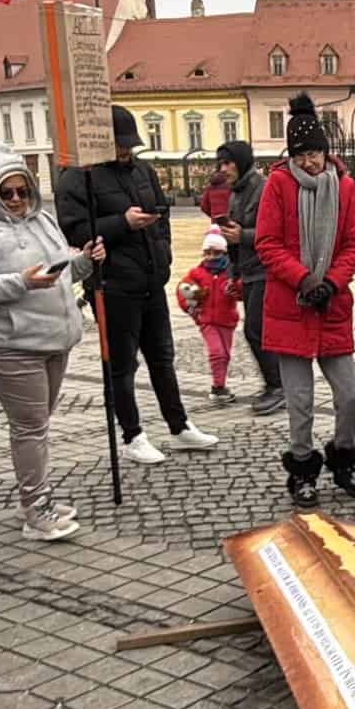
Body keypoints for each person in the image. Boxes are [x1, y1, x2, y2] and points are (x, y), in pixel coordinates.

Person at [0, 139, 91, 543]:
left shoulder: (42, 221)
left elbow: (60, 275)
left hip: (52, 337)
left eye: (21, 190)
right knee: (29, 426)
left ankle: (37, 496)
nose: (15, 198)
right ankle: (35, 508)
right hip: (7, 342)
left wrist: (83, 262)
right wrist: (20, 282)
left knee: (37, 425)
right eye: (5, 192)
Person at [57, 106, 218, 465]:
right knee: (121, 367)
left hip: (150, 280)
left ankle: (179, 426)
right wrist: (121, 224)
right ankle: (132, 435)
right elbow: (74, 230)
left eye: (129, 145)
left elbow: (162, 215)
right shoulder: (77, 177)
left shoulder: (143, 171)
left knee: (163, 358)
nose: (126, 151)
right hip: (111, 286)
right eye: (119, 145)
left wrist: (164, 254)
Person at [256, 93, 355, 508]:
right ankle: (303, 470)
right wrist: (305, 280)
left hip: (331, 307)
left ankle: (344, 459)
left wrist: (332, 283)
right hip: (291, 307)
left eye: (315, 153)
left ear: (327, 151)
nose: (309, 162)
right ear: (291, 155)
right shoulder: (277, 184)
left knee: (349, 393)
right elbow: (266, 244)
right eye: (301, 154)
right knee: (300, 402)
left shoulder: (344, 187)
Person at [215, 139, 283, 415]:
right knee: (258, 331)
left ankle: (279, 387)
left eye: (228, 163)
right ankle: (275, 385)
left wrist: (241, 235)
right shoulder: (235, 193)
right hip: (250, 270)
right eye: (220, 164)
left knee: (256, 330)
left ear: (241, 162)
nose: (223, 169)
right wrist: (233, 272)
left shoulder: (264, 188)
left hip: (267, 270)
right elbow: (235, 238)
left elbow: (278, 232)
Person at [178, 230, 240, 406]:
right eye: (208, 252)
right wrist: (191, 306)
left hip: (227, 320)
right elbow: (182, 291)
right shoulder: (196, 273)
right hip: (207, 321)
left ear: (225, 253)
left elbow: (241, 291)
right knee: (217, 352)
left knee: (225, 354)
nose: (211, 257)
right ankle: (217, 388)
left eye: (217, 253)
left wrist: (236, 289)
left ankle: (221, 386)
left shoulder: (231, 273)